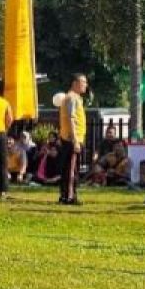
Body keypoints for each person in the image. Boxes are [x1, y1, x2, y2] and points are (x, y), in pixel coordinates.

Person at [56, 73, 88, 205]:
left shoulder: (76, 98)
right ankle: (69, 196)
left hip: (73, 138)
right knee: (71, 170)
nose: (86, 85)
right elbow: (71, 118)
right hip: (72, 140)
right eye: (83, 82)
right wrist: (75, 140)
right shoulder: (72, 98)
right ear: (75, 83)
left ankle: (66, 195)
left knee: (71, 168)